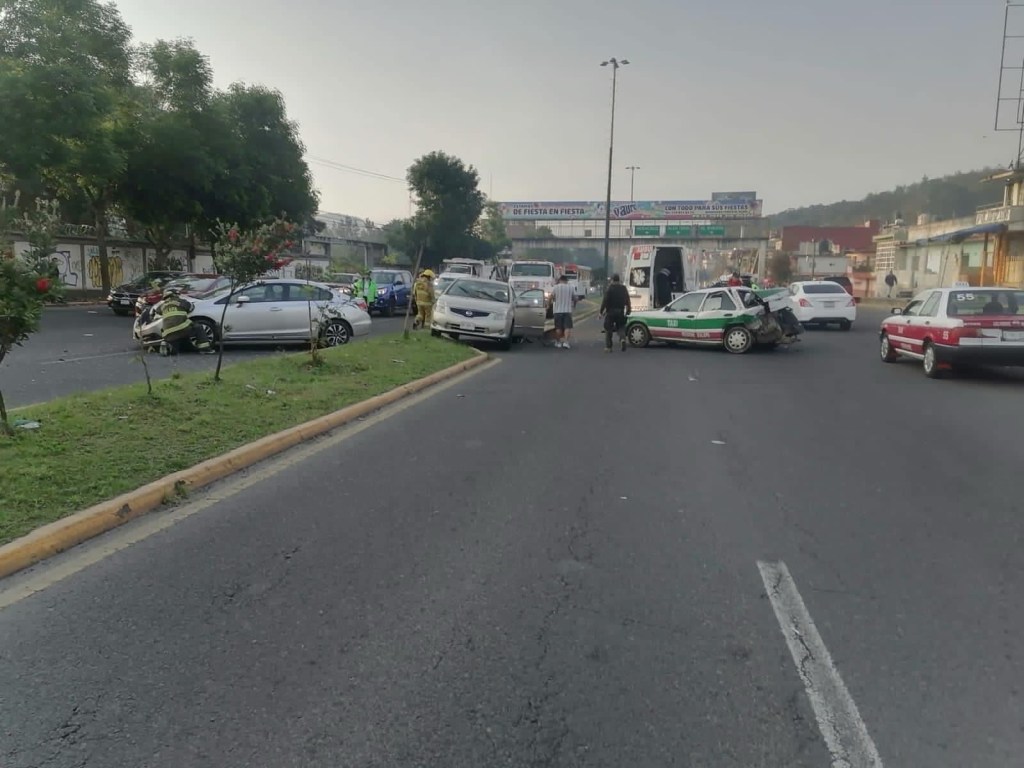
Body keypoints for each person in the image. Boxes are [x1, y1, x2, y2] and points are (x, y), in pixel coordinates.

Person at [156, 286, 212, 356]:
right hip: (182, 328)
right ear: (174, 295)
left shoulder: (162, 306)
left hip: (167, 333)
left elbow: (157, 311)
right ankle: (205, 349)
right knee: (198, 327)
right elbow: (191, 307)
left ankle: (169, 347)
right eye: (177, 294)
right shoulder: (181, 301)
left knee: (175, 348)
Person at [599, 273, 632, 353]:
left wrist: (601, 312)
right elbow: (627, 300)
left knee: (608, 329)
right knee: (620, 327)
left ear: (612, 280)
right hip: (620, 311)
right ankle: (622, 339)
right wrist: (628, 309)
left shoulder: (610, 289)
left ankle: (609, 347)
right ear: (619, 280)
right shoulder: (623, 288)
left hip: (610, 312)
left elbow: (605, 301)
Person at [551, 274, 576, 349]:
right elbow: (575, 298)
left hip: (557, 311)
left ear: (560, 280)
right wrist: (574, 305)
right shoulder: (571, 287)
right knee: (567, 327)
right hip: (567, 311)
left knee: (558, 328)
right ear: (566, 281)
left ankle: (558, 342)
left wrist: (548, 305)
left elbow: (551, 297)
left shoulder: (556, 287)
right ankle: (566, 342)